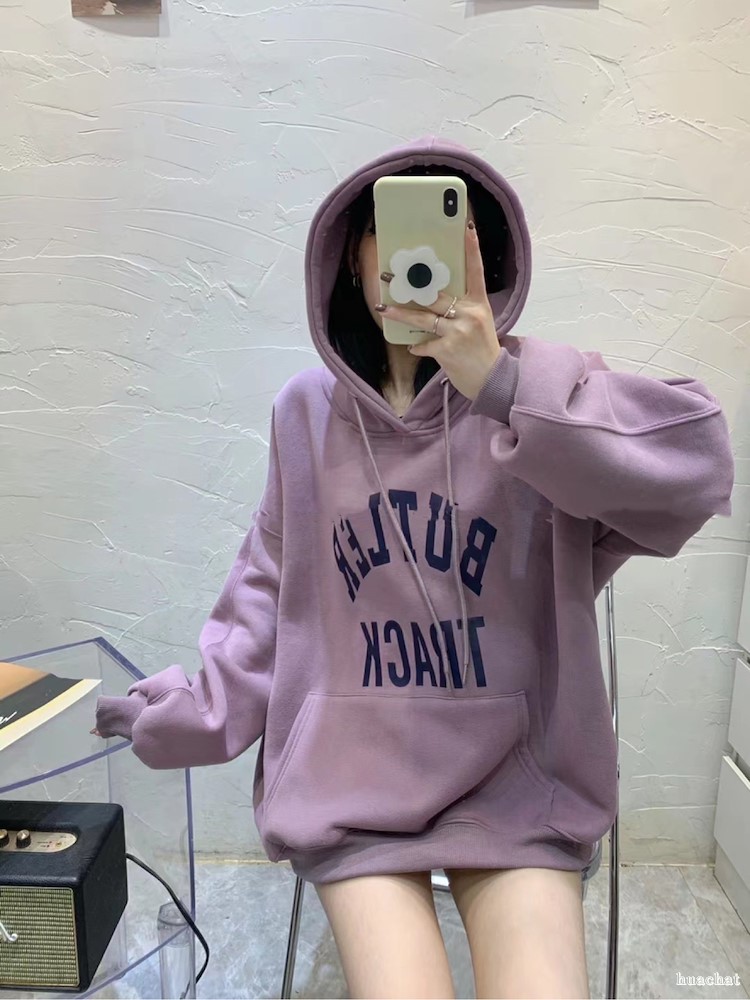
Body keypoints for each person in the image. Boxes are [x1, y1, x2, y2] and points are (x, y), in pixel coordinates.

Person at [93, 135, 735, 998]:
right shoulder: (306, 413)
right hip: (352, 785)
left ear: (480, 253)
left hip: (516, 786)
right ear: (350, 260)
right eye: (385, 231)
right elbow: (268, 596)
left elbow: (698, 468)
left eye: (443, 227)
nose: (410, 255)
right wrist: (180, 718)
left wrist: (499, 385)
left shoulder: (542, 390)